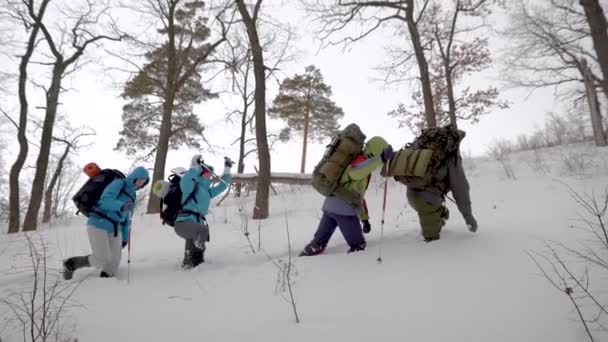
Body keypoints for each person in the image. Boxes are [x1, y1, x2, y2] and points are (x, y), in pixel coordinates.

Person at [300, 136, 394, 256]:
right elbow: (355, 173)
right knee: (358, 246)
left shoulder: (360, 163)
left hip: (330, 207)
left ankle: (302, 260)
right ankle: (353, 270)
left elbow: (357, 197)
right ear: (376, 151)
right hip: (344, 211)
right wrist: (380, 159)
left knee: (318, 243)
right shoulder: (360, 162)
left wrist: (364, 219)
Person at [63, 166, 150, 279]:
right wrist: (121, 206)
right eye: (139, 180)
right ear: (134, 177)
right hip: (98, 223)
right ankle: (71, 264)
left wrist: (124, 238)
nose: (141, 183)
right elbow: (105, 201)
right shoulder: (119, 183)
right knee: (101, 258)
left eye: (144, 181)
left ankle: (106, 280)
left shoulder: (132, 196)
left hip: (115, 228)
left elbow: (127, 220)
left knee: (115, 259)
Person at [404, 127, 478, 242]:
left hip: (411, 195)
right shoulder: (451, 155)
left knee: (428, 208)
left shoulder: (421, 146)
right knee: (432, 242)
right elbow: (460, 187)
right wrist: (468, 216)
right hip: (428, 201)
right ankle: (436, 214)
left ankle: (439, 212)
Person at [174, 154, 232, 269]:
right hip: (183, 223)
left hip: (195, 222)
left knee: (196, 238)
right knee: (203, 230)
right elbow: (185, 181)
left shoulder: (207, 191)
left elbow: (223, 186)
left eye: (210, 174)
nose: (209, 176)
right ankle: (196, 258)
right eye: (207, 173)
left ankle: (189, 263)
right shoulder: (191, 185)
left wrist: (227, 169)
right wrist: (194, 167)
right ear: (200, 173)